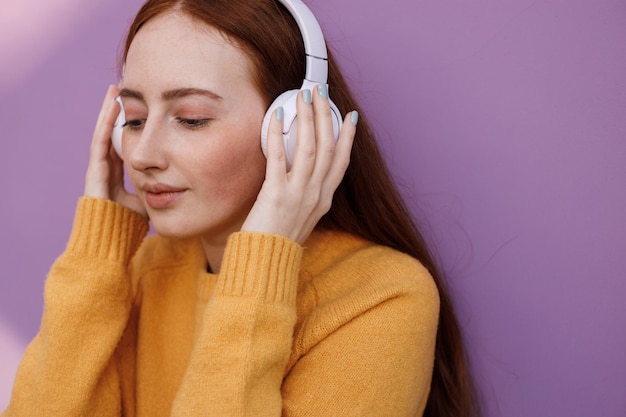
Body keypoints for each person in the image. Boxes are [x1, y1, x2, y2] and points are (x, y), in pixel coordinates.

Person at [3, 0, 481, 416]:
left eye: (191, 119)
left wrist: (260, 265)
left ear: (295, 128)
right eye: (134, 119)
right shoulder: (137, 275)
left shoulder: (381, 298)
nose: (142, 155)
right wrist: (96, 259)